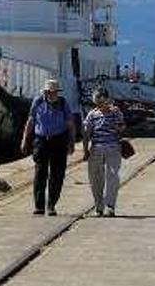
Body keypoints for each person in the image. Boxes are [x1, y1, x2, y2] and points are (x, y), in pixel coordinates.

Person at [21, 79, 77, 216]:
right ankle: (39, 206)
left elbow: (70, 124)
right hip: (41, 141)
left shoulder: (63, 103)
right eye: (49, 92)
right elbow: (31, 121)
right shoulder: (38, 101)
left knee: (57, 175)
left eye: (54, 92)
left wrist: (71, 143)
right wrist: (24, 140)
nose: (51, 94)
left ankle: (51, 205)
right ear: (45, 92)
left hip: (59, 140)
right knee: (40, 174)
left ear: (57, 92)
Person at [83, 87, 126, 217]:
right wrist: (85, 151)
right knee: (95, 178)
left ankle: (110, 206)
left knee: (112, 177)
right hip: (96, 149)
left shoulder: (116, 112)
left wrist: (116, 122)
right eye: (97, 102)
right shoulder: (92, 114)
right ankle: (98, 206)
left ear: (107, 99)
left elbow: (122, 128)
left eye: (102, 101)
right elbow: (86, 134)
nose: (100, 104)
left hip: (113, 147)